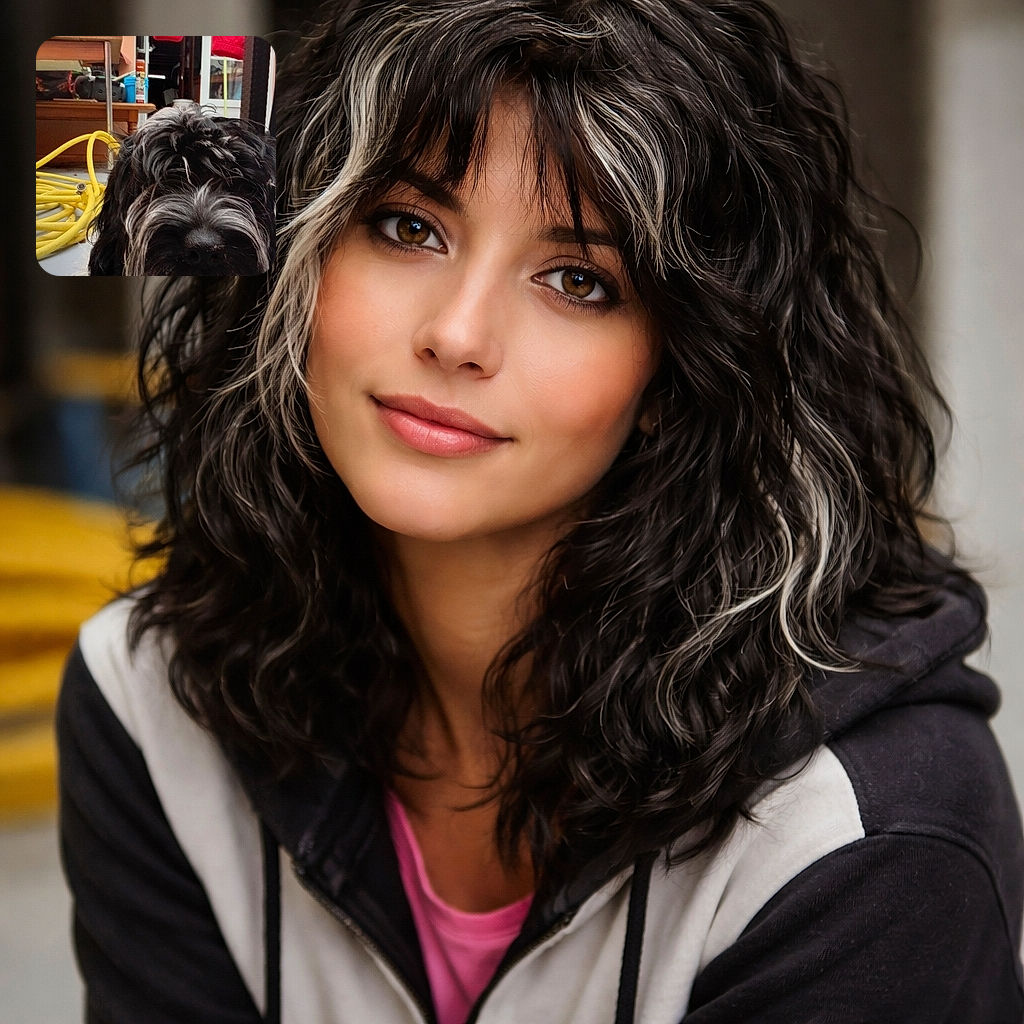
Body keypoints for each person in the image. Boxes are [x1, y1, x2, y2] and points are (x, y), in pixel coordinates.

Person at [58, 1, 1024, 1021]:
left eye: (577, 280)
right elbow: (98, 115)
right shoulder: (148, 702)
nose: (458, 334)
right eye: (408, 226)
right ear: (295, 251)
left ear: (681, 372)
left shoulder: (866, 825)